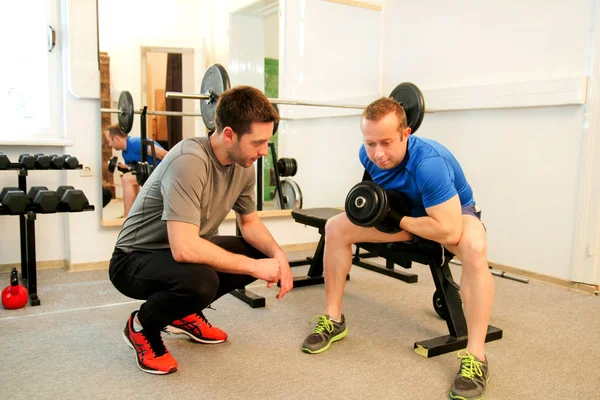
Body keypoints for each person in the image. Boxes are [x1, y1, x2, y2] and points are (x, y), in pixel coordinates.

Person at [301, 97, 493, 400]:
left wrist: (398, 218)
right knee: (336, 227)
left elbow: (448, 229)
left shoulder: (429, 163)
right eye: (370, 143)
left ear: (407, 133)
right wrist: (387, 214)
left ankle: (476, 356)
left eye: (387, 143)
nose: (378, 154)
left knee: (472, 247)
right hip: (406, 215)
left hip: (451, 214)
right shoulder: (367, 156)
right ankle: (333, 319)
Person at [108, 86, 294, 375]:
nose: (262, 152)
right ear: (229, 134)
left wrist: (278, 256)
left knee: (254, 249)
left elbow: (250, 223)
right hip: (133, 260)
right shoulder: (190, 160)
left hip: (177, 253)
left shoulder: (243, 164)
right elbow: (184, 248)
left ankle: (181, 314)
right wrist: (254, 267)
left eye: (266, 142)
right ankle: (142, 326)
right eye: (257, 142)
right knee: (202, 280)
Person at [103, 124, 168, 217]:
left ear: (116, 138)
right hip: (150, 174)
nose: (109, 145)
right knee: (130, 177)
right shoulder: (125, 153)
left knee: (127, 179)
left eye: (109, 141)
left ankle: (128, 216)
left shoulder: (136, 143)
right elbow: (135, 168)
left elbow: (164, 154)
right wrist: (126, 167)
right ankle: (135, 214)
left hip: (163, 172)